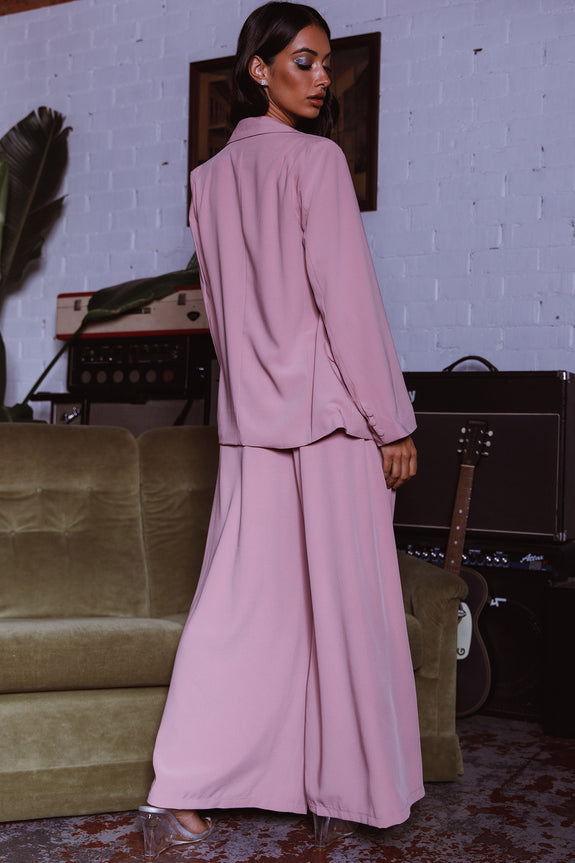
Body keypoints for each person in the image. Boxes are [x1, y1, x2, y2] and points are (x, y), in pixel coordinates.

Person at [139, 2, 424, 858]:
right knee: (346, 611)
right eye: (304, 60)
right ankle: (353, 787)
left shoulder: (207, 180)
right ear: (258, 69)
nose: (321, 77)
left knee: (240, 613)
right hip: (331, 423)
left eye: (327, 63)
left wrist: (256, 397)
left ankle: (181, 789)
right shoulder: (316, 160)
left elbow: (227, 319)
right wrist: (391, 422)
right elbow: (348, 302)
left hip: (250, 424)